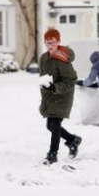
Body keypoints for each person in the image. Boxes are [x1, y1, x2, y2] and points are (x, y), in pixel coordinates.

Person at [38, 28, 82, 165]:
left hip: (63, 95)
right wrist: (45, 87)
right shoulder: (43, 58)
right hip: (50, 95)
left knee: (55, 124)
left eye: (53, 42)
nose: (50, 46)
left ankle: (53, 153)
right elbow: (43, 77)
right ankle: (72, 140)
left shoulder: (62, 59)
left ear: (58, 42)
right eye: (47, 43)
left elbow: (71, 80)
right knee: (50, 125)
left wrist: (55, 88)